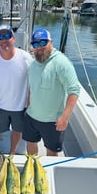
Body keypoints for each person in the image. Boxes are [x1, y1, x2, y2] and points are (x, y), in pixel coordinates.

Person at [23, 28, 80, 156]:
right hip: (32, 116)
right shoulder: (33, 64)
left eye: (43, 43)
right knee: (30, 144)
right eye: (36, 44)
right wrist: (28, 106)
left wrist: (64, 117)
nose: (39, 47)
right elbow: (32, 88)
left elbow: (74, 90)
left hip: (52, 121)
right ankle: (32, 167)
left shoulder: (61, 62)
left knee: (51, 151)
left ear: (51, 42)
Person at [0, 24, 33, 154]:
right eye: (0, 37)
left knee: (17, 131)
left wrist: (30, 102)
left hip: (20, 107)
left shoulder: (26, 58)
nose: (4, 40)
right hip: (1, 105)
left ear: (13, 39)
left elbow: (33, 81)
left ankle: (12, 154)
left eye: (7, 36)